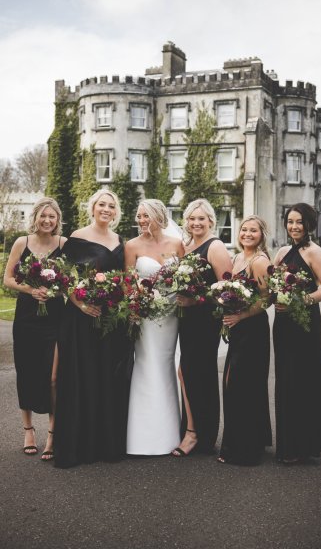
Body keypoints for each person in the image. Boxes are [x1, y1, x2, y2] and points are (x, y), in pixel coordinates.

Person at [54, 189, 131, 468]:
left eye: (111, 206)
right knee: (82, 377)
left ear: (116, 211)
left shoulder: (121, 241)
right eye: (102, 204)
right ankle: (79, 446)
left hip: (111, 321)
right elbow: (64, 276)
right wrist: (80, 304)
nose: (106, 209)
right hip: (80, 318)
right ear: (93, 207)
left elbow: (124, 280)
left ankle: (106, 444)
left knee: (106, 378)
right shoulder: (77, 237)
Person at [273, 203, 321, 464]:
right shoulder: (282, 251)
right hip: (282, 325)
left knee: (305, 379)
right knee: (286, 380)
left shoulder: (314, 252)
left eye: (299, 222)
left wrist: (300, 302)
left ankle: (303, 445)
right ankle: (289, 442)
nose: (294, 226)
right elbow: (272, 283)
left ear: (309, 224)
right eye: (290, 221)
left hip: (304, 323)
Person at [4, 197, 66, 460]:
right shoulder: (23, 242)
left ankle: (52, 434)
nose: (47, 220)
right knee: (27, 371)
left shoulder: (64, 244)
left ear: (57, 219)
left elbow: (71, 279)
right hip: (27, 316)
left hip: (55, 317)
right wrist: (31, 289)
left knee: (53, 377)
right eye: (43, 216)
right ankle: (28, 429)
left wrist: (53, 289)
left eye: (52, 216)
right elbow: (8, 278)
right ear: (36, 217)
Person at [172, 198, 233, 457]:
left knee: (195, 374)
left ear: (211, 221)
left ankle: (195, 434)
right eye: (192, 219)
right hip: (187, 320)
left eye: (201, 218)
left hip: (206, 321)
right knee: (188, 372)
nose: (196, 223)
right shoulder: (187, 246)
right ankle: (197, 431)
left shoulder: (215, 246)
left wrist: (195, 299)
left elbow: (228, 291)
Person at [125, 199, 184, 455]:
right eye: (139, 216)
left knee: (166, 363)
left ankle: (170, 434)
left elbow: (186, 277)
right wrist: (136, 303)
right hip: (145, 315)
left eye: (145, 216)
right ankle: (140, 436)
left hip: (171, 315)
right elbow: (128, 283)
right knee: (146, 364)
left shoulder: (177, 245)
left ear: (159, 216)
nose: (141, 221)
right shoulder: (132, 245)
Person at [218, 216, 272, 465]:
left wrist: (241, 315)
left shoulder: (260, 261)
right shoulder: (238, 257)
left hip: (253, 330)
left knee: (243, 387)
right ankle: (240, 443)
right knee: (234, 385)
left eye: (253, 230)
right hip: (239, 329)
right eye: (244, 229)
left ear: (261, 235)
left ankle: (246, 450)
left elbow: (266, 299)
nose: (247, 234)